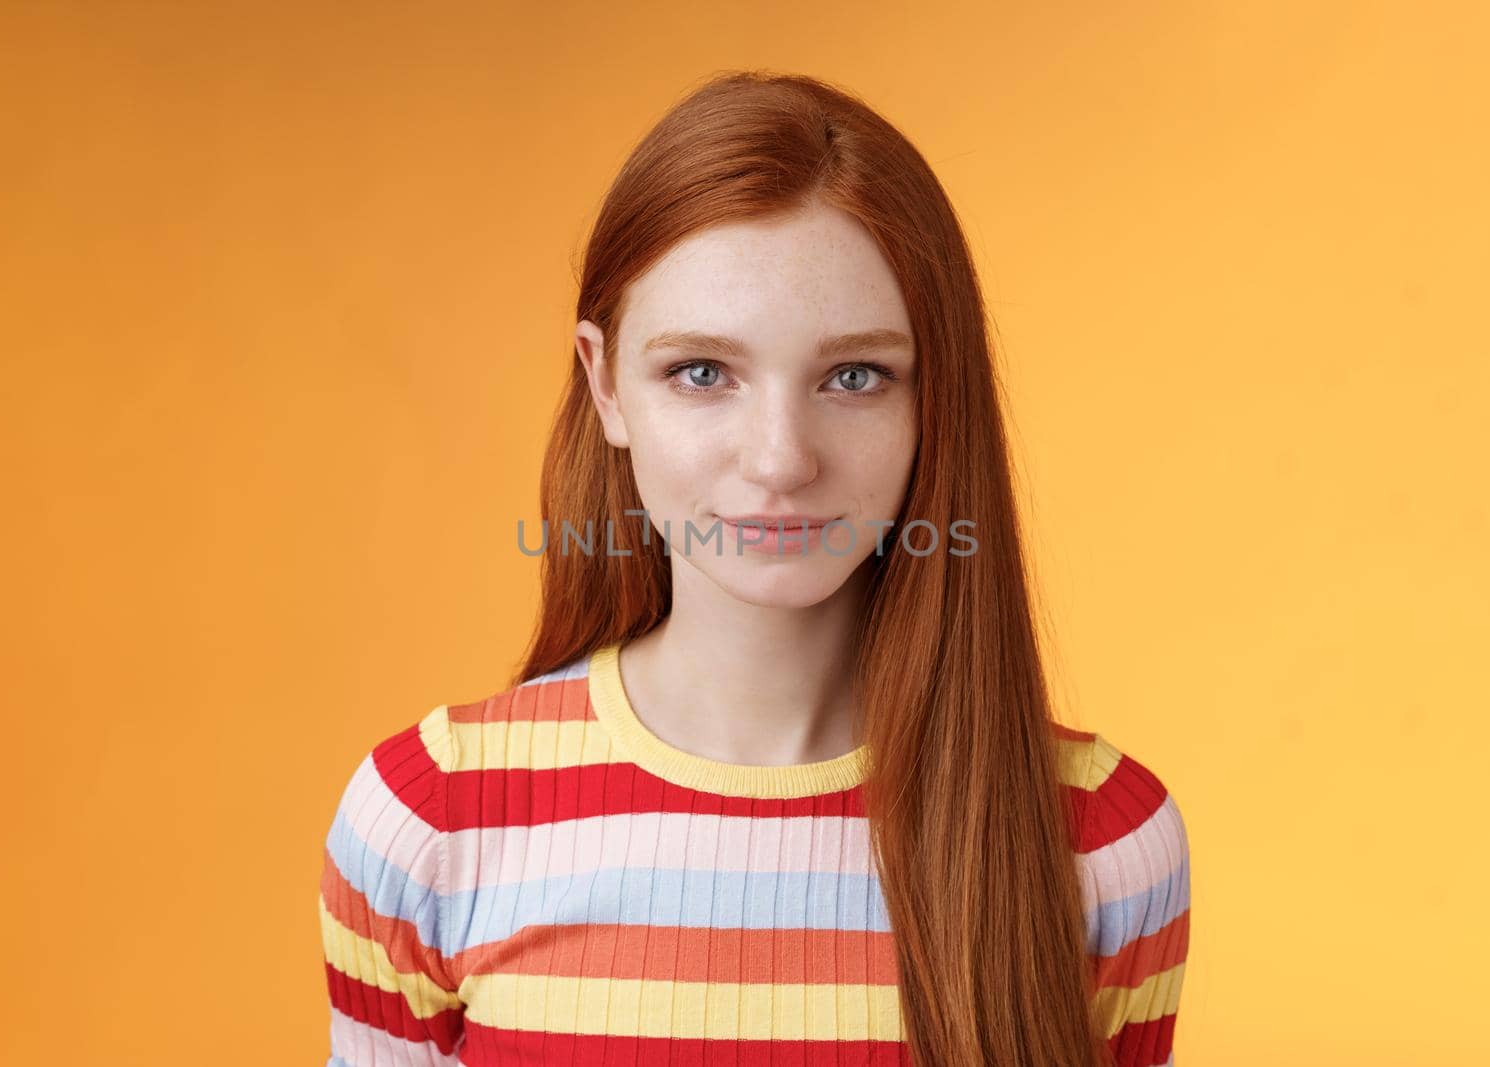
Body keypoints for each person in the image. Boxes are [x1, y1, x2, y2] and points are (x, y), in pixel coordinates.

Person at [318, 69, 1190, 1067]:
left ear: (932, 397)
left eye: (853, 375)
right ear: (604, 386)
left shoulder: (1104, 841)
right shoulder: (427, 817)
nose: (780, 457)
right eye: (702, 372)